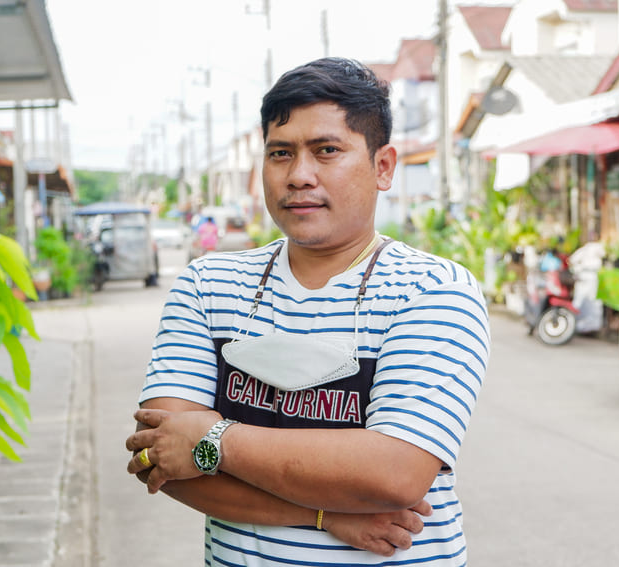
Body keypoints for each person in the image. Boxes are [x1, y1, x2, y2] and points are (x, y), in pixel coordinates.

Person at [126, 57, 490, 566]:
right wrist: (327, 516)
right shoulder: (209, 284)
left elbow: (395, 473)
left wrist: (210, 438)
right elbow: (159, 459)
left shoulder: (431, 290)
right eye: (280, 153)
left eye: (327, 151)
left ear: (382, 167)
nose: (299, 176)